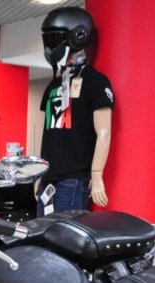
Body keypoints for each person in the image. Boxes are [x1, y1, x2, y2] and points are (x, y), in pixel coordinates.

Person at [38, 7, 113, 215]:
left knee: (66, 235)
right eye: (47, 39)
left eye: (55, 38)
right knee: (42, 235)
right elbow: (48, 134)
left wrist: (96, 175)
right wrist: (39, 173)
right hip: (47, 181)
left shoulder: (95, 82)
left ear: (78, 36)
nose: (50, 45)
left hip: (72, 182)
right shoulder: (53, 86)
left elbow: (104, 133)